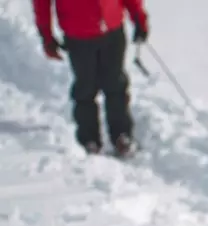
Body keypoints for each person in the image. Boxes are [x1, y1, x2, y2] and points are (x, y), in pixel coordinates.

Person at [32, 0, 150, 156]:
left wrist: (138, 17)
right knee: (85, 88)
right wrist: (46, 34)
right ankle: (89, 140)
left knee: (116, 85)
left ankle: (122, 136)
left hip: (112, 29)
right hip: (78, 34)